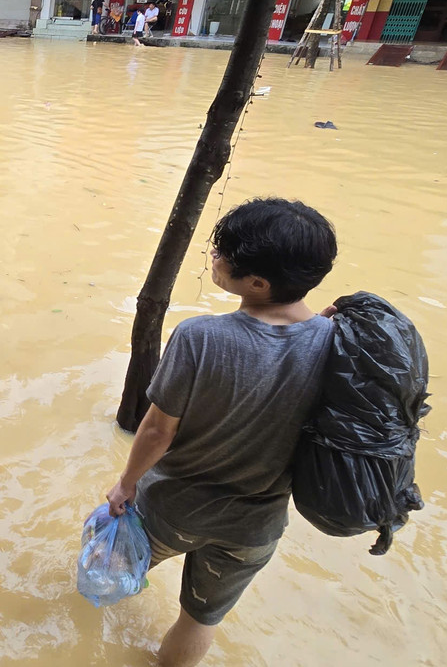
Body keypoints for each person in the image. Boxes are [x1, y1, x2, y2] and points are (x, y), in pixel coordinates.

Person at [104, 198, 338, 667]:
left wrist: (125, 484)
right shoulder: (335, 342)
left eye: (223, 254)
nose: (214, 257)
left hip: (172, 509)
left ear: (257, 284)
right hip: (254, 528)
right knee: (200, 620)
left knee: (110, 571)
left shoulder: (200, 337)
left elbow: (156, 432)